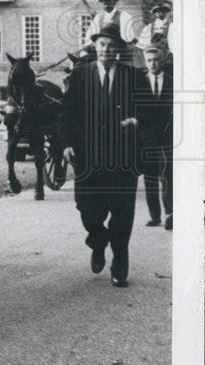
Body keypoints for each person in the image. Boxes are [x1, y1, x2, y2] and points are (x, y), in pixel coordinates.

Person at [58, 22, 151, 288]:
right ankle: (98, 242)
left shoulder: (133, 76)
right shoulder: (79, 75)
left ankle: (120, 262)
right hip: (88, 159)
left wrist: (136, 120)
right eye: (102, 44)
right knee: (88, 210)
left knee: (122, 214)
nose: (106, 49)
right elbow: (66, 115)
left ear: (119, 50)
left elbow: (149, 113)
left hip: (124, 159)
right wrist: (66, 145)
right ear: (95, 46)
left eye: (111, 45)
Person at [139, 44, 173, 230]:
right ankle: (155, 215)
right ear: (145, 62)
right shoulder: (140, 82)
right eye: (149, 60)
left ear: (162, 60)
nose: (153, 63)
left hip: (168, 137)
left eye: (156, 59)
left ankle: (170, 213)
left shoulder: (171, 81)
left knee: (167, 175)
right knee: (150, 177)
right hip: (147, 137)